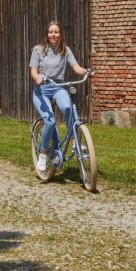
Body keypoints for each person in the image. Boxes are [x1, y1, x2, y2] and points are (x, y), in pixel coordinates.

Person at [29, 20, 89, 177]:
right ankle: (43, 154)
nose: (53, 34)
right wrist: (37, 79)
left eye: (56, 32)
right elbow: (33, 71)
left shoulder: (65, 51)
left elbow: (76, 67)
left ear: (60, 34)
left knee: (69, 108)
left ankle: (75, 142)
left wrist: (87, 72)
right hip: (41, 90)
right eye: (51, 32)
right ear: (47, 34)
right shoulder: (38, 50)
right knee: (50, 120)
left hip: (58, 87)